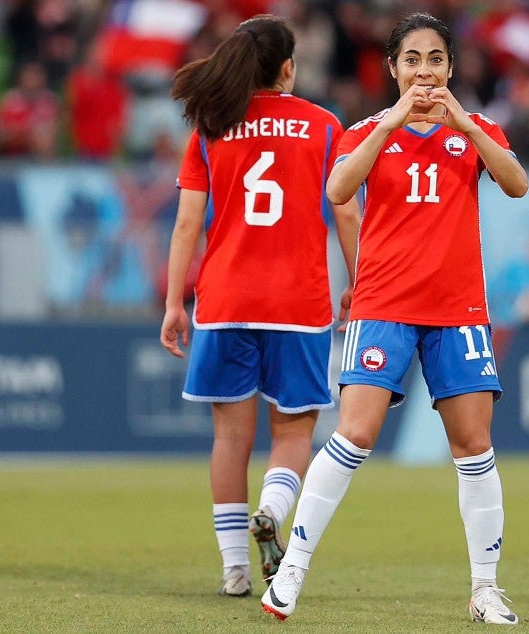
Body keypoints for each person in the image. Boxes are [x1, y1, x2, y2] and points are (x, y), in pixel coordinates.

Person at [261, 12, 529, 626]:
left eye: (435, 59)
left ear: (452, 67)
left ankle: (485, 588)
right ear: (393, 68)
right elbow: (337, 190)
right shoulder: (366, 131)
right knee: (353, 436)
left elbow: (516, 183)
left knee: (474, 445)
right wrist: (391, 123)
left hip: (457, 310)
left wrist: (462, 122)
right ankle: (293, 572)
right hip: (383, 305)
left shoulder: (477, 130)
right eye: (412, 60)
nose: (425, 71)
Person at [159, 15, 360, 598]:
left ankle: (234, 570)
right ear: (288, 68)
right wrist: (361, 279)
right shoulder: (324, 126)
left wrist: (175, 302)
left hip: (224, 299)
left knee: (229, 438)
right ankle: (274, 508)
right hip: (298, 299)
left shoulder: (211, 126)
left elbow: (186, 225)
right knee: (294, 431)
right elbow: (346, 211)